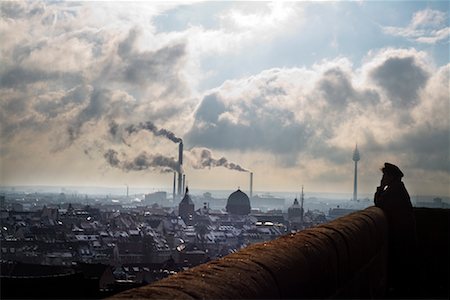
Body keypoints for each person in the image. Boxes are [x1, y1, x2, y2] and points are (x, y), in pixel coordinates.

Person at [374, 162, 417, 297]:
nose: (383, 177)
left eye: (384, 175)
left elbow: (379, 203)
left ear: (390, 176)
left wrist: (380, 187)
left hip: (400, 235)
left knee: (400, 267)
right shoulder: (398, 188)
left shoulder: (394, 190)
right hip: (403, 233)